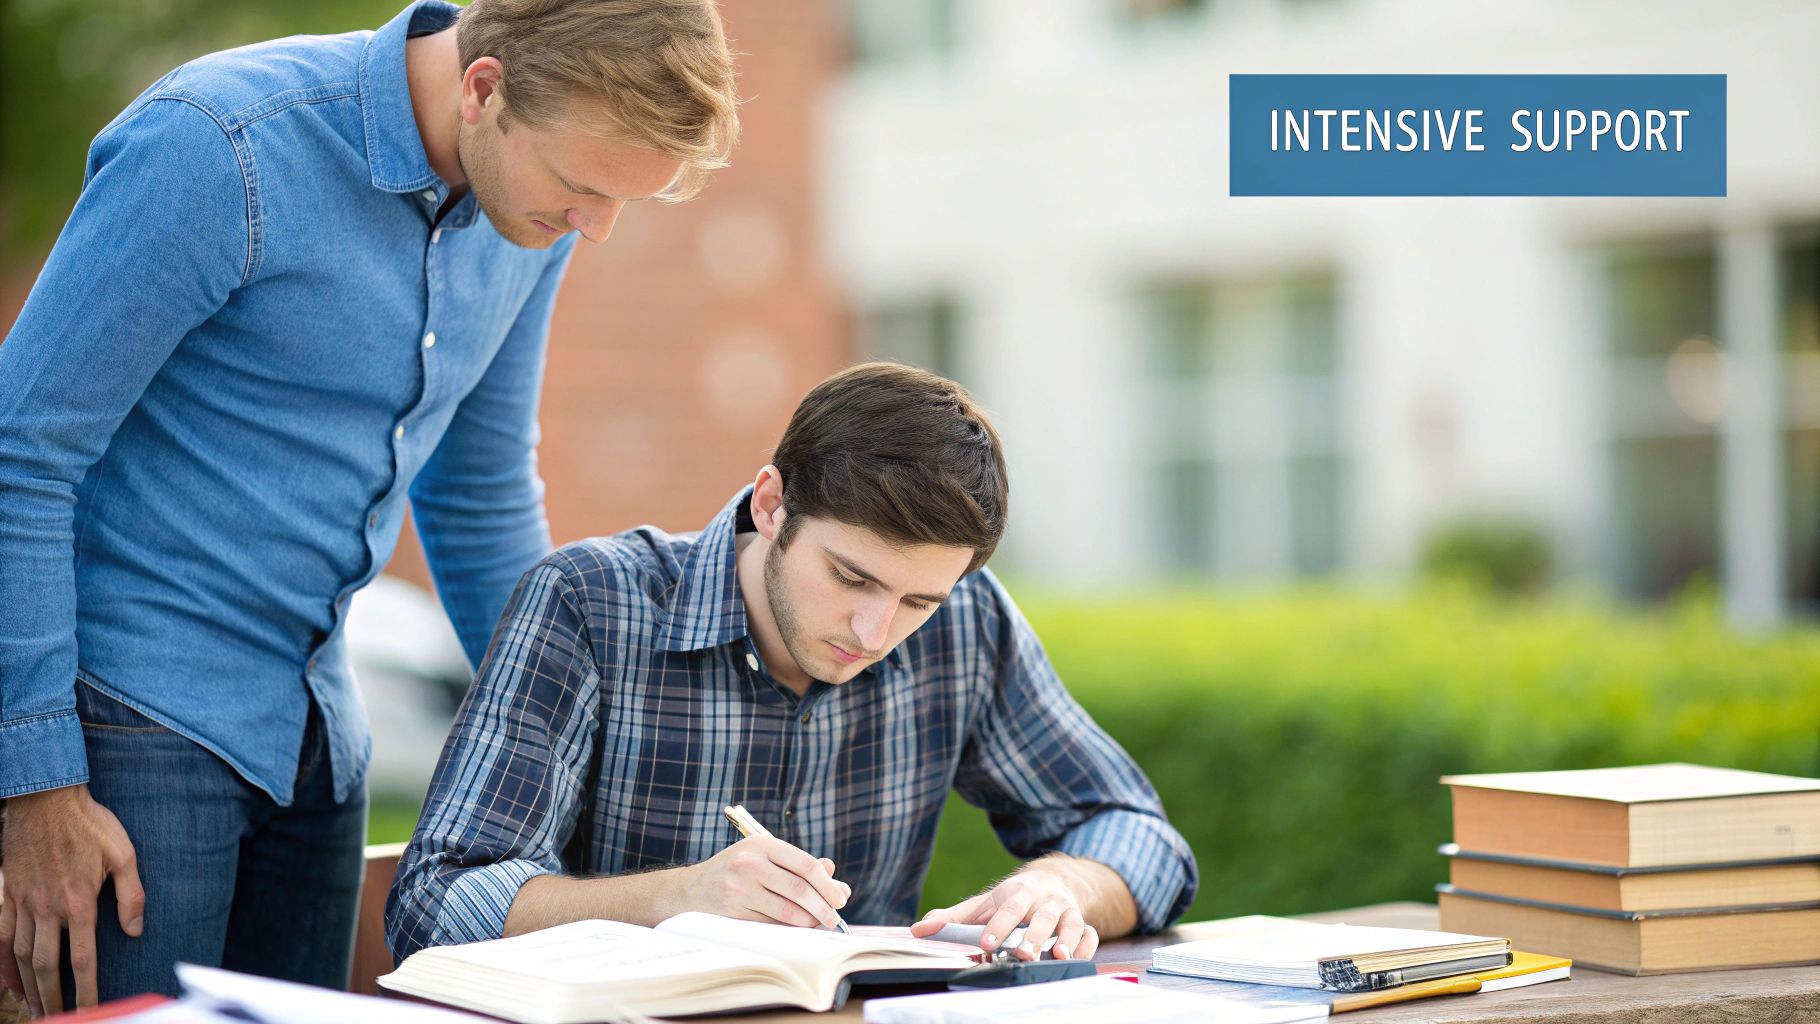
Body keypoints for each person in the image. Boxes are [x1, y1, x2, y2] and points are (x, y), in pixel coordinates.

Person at [0, 0, 739, 1014]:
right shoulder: (219, 147)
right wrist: (33, 783)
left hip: (320, 738)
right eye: (579, 187)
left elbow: (477, 497)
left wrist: (585, 754)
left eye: (621, 201)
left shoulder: (536, 211)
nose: (594, 228)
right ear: (484, 88)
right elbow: (21, 453)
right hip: (128, 728)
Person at [387, 363, 1197, 966]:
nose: (877, 630)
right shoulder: (590, 604)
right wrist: (677, 898)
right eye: (852, 577)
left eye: (919, 601)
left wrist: (1063, 888)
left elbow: (1141, 836)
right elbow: (432, 905)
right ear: (772, 504)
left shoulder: (968, 623)